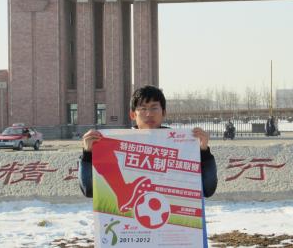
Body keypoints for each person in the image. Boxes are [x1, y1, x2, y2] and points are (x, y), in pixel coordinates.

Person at [78, 85, 218, 211]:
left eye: (154, 108)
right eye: (143, 108)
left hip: (174, 232)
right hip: (131, 232)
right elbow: (88, 190)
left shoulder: (183, 145)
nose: (149, 113)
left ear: (164, 112)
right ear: (133, 114)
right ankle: (123, 194)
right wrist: (88, 155)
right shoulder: (112, 145)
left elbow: (208, 188)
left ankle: (124, 193)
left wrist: (204, 152)